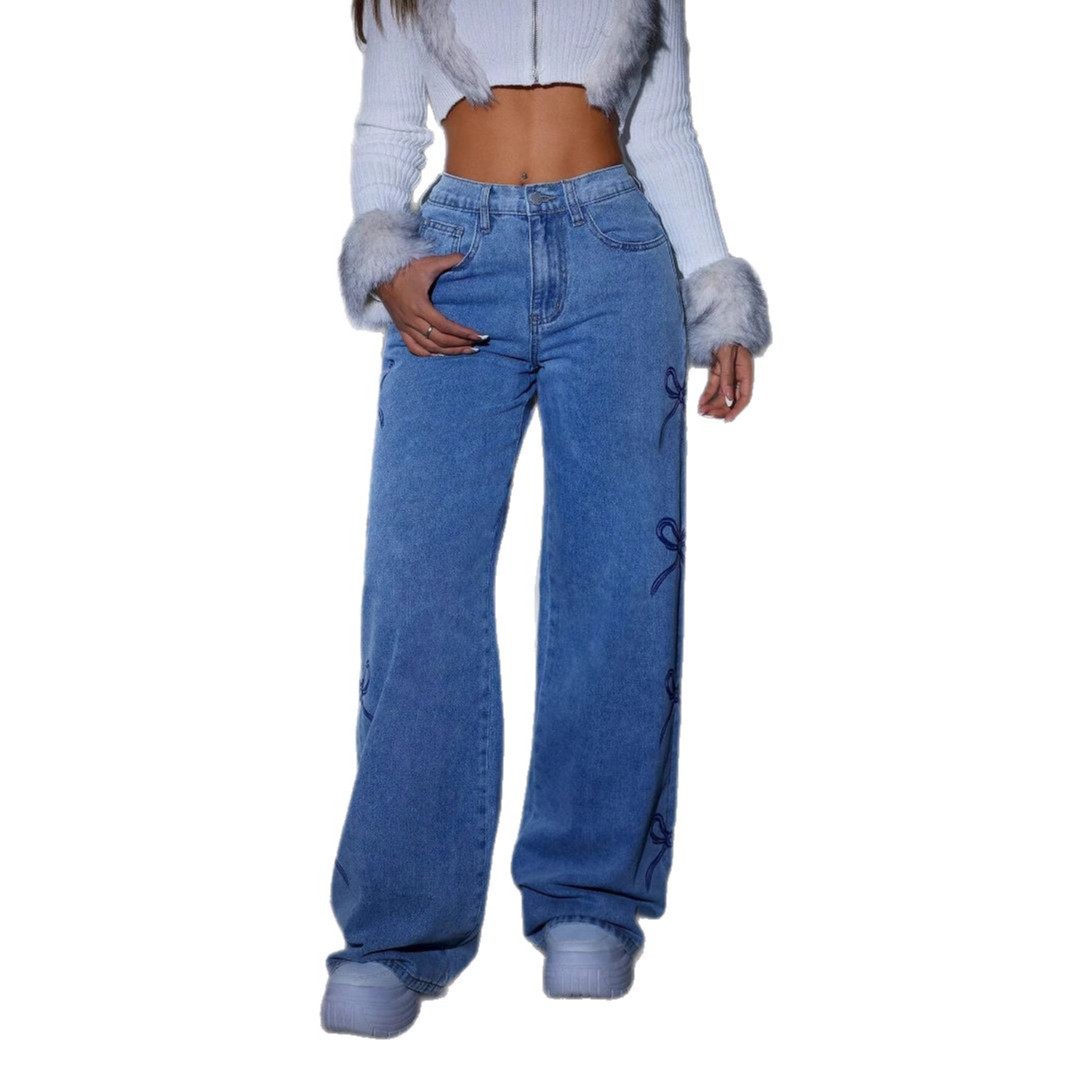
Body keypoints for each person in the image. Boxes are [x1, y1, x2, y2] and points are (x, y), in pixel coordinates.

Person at [322, 0, 772, 1038]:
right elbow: (387, 124)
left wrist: (715, 289)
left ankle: (587, 898)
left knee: (617, 580)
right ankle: (395, 931)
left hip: (618, 254)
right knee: (417, 588)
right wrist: (385, 256)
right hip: (455, 257)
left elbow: (663, 126)